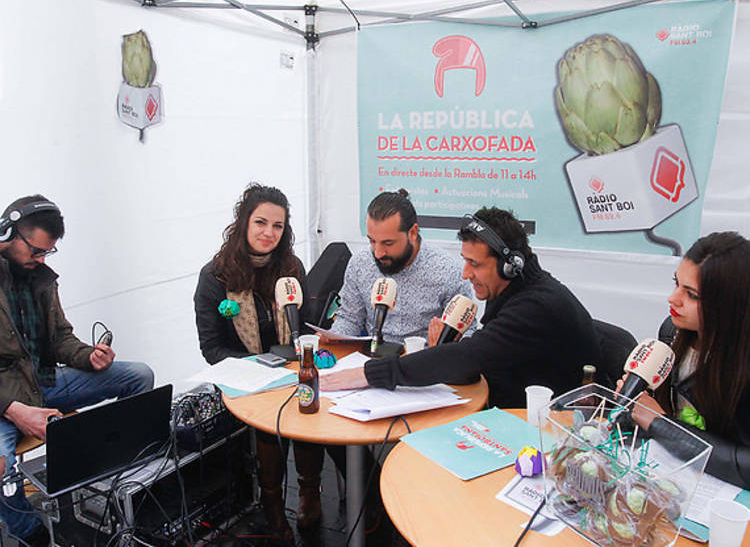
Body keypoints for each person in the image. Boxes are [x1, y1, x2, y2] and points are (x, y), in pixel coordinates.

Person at [321, 206, 603, 409]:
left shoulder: (536, 306)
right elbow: (480, 360)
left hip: (548, 430)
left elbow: (470, 356)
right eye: (465, 261)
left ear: (509, 266)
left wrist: (368, 375)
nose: (466, 273)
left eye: (475, 264)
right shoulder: (508, 287)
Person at [0, 195, 154, 545]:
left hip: (44, 383)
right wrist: (13, 408)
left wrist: (88, 356)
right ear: (8, 233)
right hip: (4, 400)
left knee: (139, 375)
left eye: (46, 253)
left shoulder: (39, 277)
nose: (40, 259)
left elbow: (58, 340)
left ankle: (125, 479)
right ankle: (32, 535)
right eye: (36, 251)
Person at [193, 184, 329, 540]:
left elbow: (306, 326)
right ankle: (272, 507)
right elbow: (211, 349)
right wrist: (262, 368)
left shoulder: (291, 266)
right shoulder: (215, 277)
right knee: (269, 424)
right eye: (261, 223)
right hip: (248, 376)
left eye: (278, 226)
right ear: (243, 223)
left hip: (292, 369)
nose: (269, 233)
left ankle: (310, 493)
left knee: (309, 406)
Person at [623, 232, 750, 488]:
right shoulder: (671, 334)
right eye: (676, 283)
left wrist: (660, 423)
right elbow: (657, 415)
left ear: (729, 304)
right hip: (672, 475)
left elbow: (745, 466)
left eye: (691, 295)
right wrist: (631, 405)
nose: (673, 298)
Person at [325, 189, 475, 344]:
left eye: (388, 243)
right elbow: (350, 319)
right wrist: (329, 339)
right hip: (371, 358)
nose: (378, 253)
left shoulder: (447, 271)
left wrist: (444, 344)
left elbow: (467, 333)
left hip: (423, 361)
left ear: (413, 233)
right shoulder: (360, 264)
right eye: (372, 241)